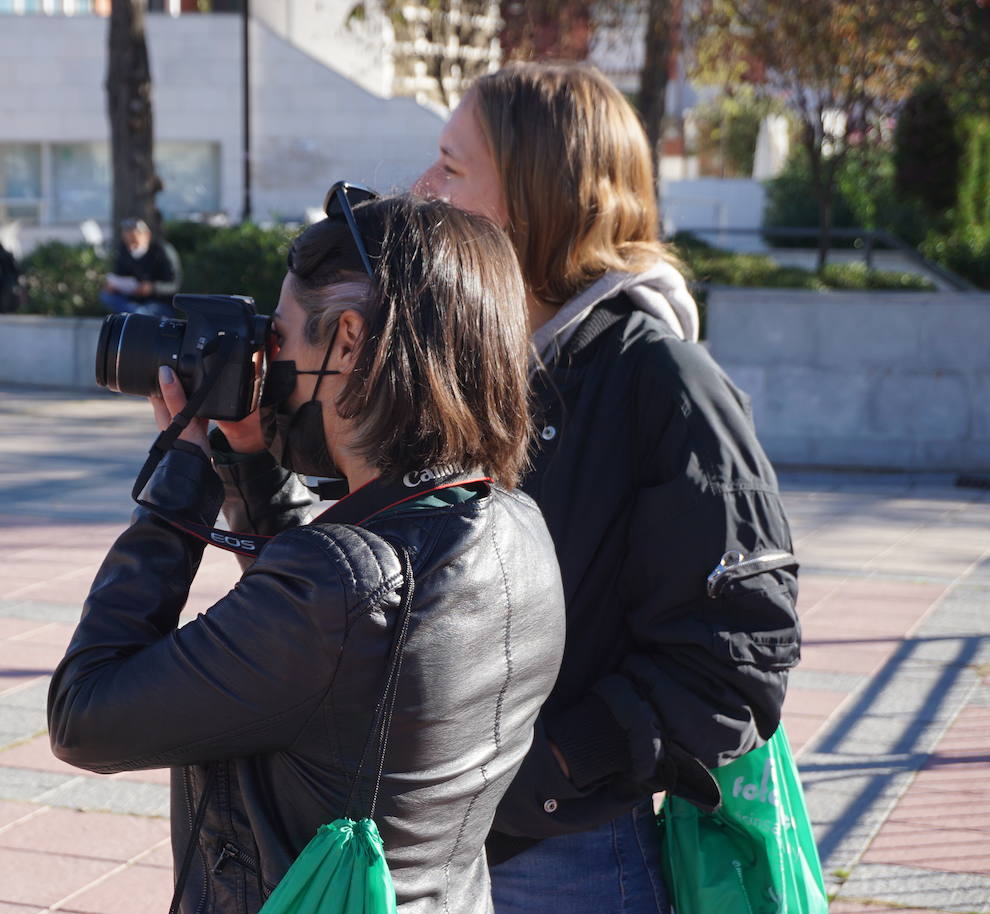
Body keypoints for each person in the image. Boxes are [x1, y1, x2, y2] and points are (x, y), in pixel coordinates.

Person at [48, 191, 566, 913]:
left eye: (281, 340)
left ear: (349, 340)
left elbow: (85, 717)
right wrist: (251, 457)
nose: (271, 363)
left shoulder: (338, 591)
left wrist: (182, 477)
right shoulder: (515, 527)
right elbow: (331, 658)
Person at [411, 62, 802, 912]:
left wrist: (547, 772)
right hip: (434, 843)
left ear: (532, 194)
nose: (423, 189)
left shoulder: (660, 381)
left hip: (562, 861)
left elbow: (738, 653)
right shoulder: (472, 363)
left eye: (451, 165)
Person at [99, 217, 181, 317]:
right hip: (132, 300)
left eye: (135, 240)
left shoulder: (162, 251)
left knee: (138, 312)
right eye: (128, 241)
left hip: (159, 302)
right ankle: (131, 315)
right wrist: (113, 286)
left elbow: (174, 285)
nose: (131, 246)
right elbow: (120, 277)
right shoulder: (123, 251)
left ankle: (131, 316)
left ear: (147, 235)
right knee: (107, 296)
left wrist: (152, 288)